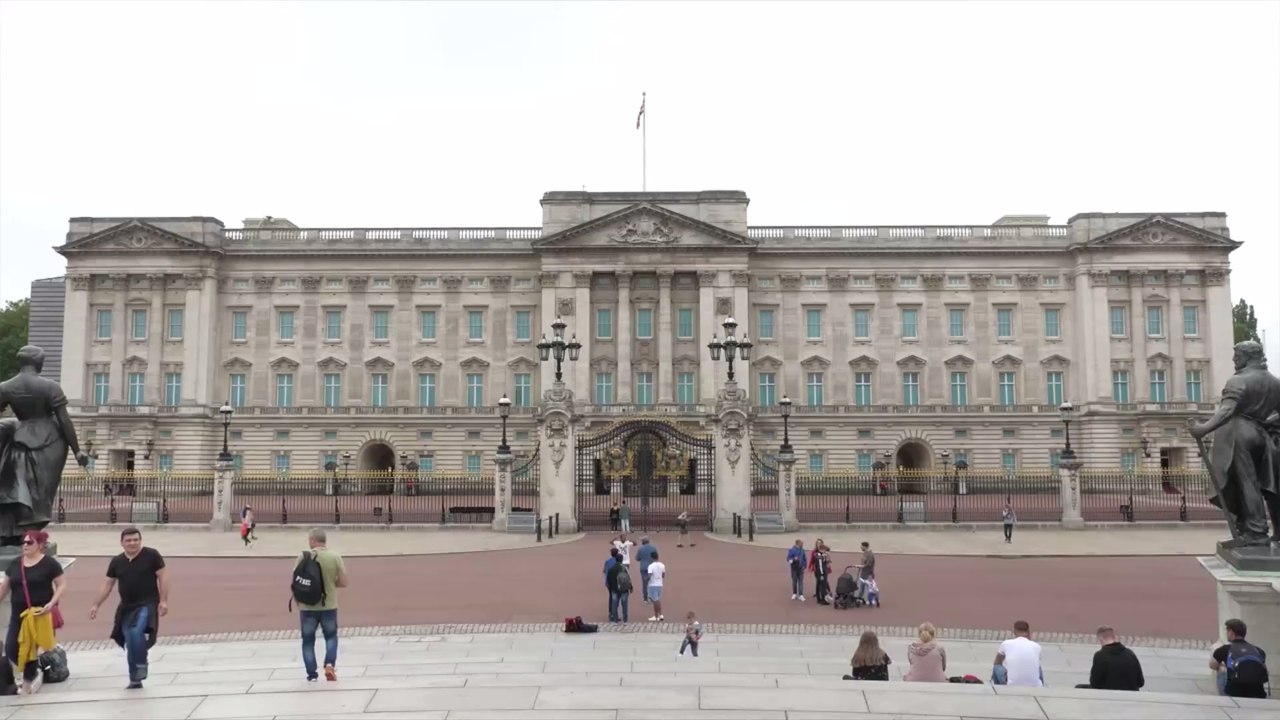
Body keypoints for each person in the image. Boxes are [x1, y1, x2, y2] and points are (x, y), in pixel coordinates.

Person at [1188, 341, 1280, 546]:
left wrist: (1203, 428)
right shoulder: (1275, 382)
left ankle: (1256, 532)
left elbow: (1227, 411)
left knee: (1246, 482)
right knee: (1259, 484)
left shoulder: (1238, 380)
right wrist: (1265, 422)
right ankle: (1251, 528)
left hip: (1239, 433)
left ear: (1247, 357)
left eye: (1237, 356)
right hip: (1262, 437)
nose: (1234, 360)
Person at [0, 345, 90, 542]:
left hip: (20, 437)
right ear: (38, 362)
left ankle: (15, 532)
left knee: (22, 482)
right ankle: (27, 533)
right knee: (43, 489)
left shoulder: (5, 387)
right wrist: (77, 451)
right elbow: (64, 420)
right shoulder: (50, 386)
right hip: (51, 439)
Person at [88, 527, 169, 689]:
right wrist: (96, 604)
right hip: (126, 606)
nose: (132, 543)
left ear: (140, 540)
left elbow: (163, 577)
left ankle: (140, 665)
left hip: (147, 603)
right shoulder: (117, 561)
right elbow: (108, 584)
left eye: (136, 540)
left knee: (135, 631)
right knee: (129, 640)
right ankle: (135, 678)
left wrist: (164, 601)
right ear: (122, 543)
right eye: (129, 540)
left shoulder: (152, 555)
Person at [0, 530, 65, 695]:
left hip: (40, 614)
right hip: (19, 614)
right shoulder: (16, 563)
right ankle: (33, 671)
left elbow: (62, 584)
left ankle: (28, 681)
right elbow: (4, 587)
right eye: (24, 542)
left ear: (41, 545)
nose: (25, 545)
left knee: (31, 647)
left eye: (30, 542)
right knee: (11, 648)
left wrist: (52, 602)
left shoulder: (49, 564)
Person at [296, 528, 348, 682]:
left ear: (313, 540)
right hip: (329, 605)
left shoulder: (303, 557)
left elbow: (296, 581)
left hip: (307, 606)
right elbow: (344, 582)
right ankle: (330, 664)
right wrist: (331, 584)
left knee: (307, 641)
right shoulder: (335, 557)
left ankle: (312, 674)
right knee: (331, 636)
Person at [1210, 618, 1269, 698]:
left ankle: (1224, 697)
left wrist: (1223, 666)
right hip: (1258, 693)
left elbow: (1212, 665)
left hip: (1234, 692)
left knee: (1220, 669)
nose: (1226, 633)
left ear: (1231, 632)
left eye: (1227, 631)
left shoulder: (1225, 649)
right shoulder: (1259, 651)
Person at [1074, 626, 1144, 692]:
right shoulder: (1130, 654)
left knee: (1079, 687)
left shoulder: (1100, 655)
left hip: (1108, 695)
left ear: (1101, 640)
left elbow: (1095, 684)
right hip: (1131, 695)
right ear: (1114, 637)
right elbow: (1140, 682)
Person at [994, 620, 1043, 687]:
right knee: (1038, 667)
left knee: (997, 667)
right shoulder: (1037, 646)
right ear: (1028, 631)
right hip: (1035, 685)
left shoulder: (1006, 643)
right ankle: (1040, 687)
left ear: (1014, 631)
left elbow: (997, 662)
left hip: (1011, 684)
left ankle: (998, 688)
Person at [606, 549, 630, 624]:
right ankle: (625, 620)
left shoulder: (611, 569)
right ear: (622, 560)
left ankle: (615, 620)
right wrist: (630, 587)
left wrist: (610, 586)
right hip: (624, 589)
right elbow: (628, 578)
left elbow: (608, 579)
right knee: (624, 604)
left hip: (614, 588)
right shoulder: (624, 568)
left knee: (614, 604)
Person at [636, 536, 658, 603]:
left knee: (644, 583)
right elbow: (656, 558)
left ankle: (645, 599)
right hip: (652, 567)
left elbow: (637, 558)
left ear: (644, 542)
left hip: (643, 567)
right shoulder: (653, 548)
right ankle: (652, 596)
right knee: (652, 582)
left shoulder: (640, 549)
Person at [646, 551, 666, 622]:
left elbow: (649, 575)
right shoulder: (662, 565)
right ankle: (658, 615)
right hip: (660, 584)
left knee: (655, 600)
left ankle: (658, 615)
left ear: (651, 558)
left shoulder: (651, 566)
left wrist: (646, 579)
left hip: (653, 584)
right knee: (656, 599)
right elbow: (663, 575)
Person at [811, 540, 832, 605]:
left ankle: (819, 599)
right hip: (821, 573)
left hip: (819, 572)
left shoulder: (819, 555)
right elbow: (820, 566)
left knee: (818, 585)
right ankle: (823, 600)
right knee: (823, 586)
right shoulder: (819, 556)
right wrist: (822, 574)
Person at [604, 547, 621, 622]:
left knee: (611, 598)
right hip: (616, 582)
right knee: (616, 598)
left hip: (608, 582)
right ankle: (614, 614)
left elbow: (604, 570)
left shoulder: (607, 561)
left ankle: (611, 613)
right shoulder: (618, 562)